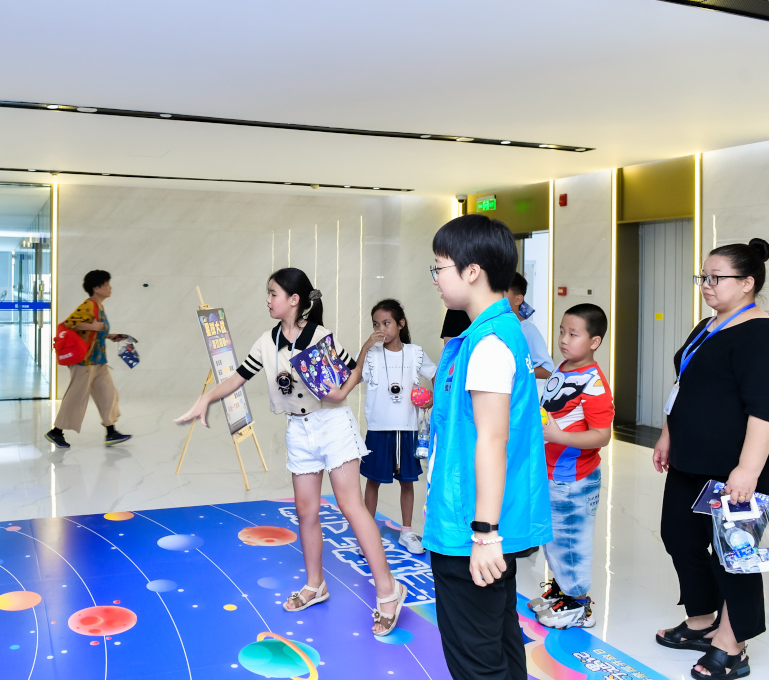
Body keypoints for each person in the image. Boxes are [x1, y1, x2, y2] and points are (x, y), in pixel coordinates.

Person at [175, 267, 407, 636]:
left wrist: (353, 368)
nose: (268, 300)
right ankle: (316, 585)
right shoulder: (266, 342)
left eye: (273, 294)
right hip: (298, 429)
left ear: (294, 300)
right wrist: (206, 398)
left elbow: (349, 376)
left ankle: (388, 590)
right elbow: (238, 377)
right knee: (305, 510)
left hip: (332, 424)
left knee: (350, 505)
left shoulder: (320, 336)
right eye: (268, 293)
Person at [424, 214, 552, 680]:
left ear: (472, 271)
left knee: (476, 659)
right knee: (498, 639)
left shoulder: (489, 343)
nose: (436, 278)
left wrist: (484, 533)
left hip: (470, 527)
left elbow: (493, 440)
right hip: (482, 518)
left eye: (440, 267)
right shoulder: (497, 331)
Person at [654, 237, 769, 680]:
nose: (706, 284)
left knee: (734, 555)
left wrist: (748, 470)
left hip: (731, 467)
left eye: (716, 278)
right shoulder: (707, 326)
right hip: (690, 458)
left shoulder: (759, 332)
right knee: (678, 537)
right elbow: (683, 384)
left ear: (748, 283)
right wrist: (668, 435)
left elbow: (763, 409)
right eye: (703, 276)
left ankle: (732, 644)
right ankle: (702, 618)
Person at [530, 303, 614, 629]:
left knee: (570, 542)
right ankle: (562, 593)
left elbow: (602, 436)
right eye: (562, 332)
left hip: (573, 480)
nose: (564, 339)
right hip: (552, 474)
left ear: (594, 342)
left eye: (573, 334)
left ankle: (579, 605)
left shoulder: (594, 384)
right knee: (554, 540)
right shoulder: (564, 367)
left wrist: (559, 436)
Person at [359, 299, 437, 554]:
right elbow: (355, 375)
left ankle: (406, 532)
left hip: (407, 427)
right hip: (378, 428)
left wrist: (434, 397)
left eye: (386, 323)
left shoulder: (415, 352)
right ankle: (367, 534)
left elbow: (436, 373)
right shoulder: (372, 353)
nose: (380, 329)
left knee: (407, 481)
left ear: (401, 324)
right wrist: (365, 346)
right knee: (373, 482)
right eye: (376, 324)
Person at [45, 270, 131, 448]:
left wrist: (109, 335)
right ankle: (56, 432)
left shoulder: (99, 306)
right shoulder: (88, 305)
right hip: (84, 362)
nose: (110, 288)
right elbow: (70, 323)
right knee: (76, 397)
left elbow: (94, 331)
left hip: (98, 361)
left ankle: (111, 432)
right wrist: (93, 326)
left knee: (108, 394)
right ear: (96, 288)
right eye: (106, 285)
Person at [505, 272, 555, 380]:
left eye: (501, 294)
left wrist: (512, 371)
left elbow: (547, 370)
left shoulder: (528, 330)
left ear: (518, 299)